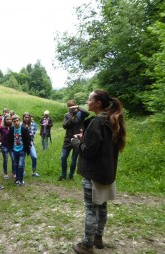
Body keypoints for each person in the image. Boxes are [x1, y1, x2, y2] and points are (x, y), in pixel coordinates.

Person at [71, 90, 126, 254]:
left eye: (89, 99)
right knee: (102, 208)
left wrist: (76, 142)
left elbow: (88, 151)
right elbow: (100, 146)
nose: (87, 102)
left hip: (93, 175)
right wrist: (85, 138)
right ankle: (98, 238)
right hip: (106, 173)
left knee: (91, 210)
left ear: (98, 103)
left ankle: (87, 245)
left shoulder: (97, 122)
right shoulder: (111, 120)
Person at [59, 100, 90, 181]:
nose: (71, 108)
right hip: (68, 139)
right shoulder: (67, 115)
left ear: (75, 105)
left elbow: (87, 113)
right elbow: (64, 126)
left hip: (77, 139)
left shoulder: (81, 114)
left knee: (74, 159)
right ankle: (63, 175)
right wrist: (70, 118)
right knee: (63, 157)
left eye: (72, 106)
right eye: (69, 107)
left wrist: (78, 107)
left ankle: (71, 176)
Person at [6, 115, 31, 186]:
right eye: (14, 121)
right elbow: (9, 139)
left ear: (19, 121)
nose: (16, 122)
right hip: (14, 149)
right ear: (12, 122)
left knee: (20, 165)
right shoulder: (11, 129)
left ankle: (21, 179)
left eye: (17, 121)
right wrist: (10, 148)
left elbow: (28, 139)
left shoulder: (24, 129)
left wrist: (27, 148)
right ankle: (17, 179)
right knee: (16, 164)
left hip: (22, 149)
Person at [22, 112, 39, 177]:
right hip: (22, 143)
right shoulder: (21, 125)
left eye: (28, 117)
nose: (26, 119)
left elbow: (32, 134)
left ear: (30, 118)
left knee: (34, 157)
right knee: (22, 157)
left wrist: (26, 132)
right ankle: (22, 171)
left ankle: (34, 171)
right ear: (23, 118)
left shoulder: (33, 125)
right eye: (25, 117)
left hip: (30, 143)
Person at [0, 114, 15, 179]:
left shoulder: (13, 127)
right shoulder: (1, 128)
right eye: (7, 119)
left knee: (13, 159)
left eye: (10, 119)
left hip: (12, 146)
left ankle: (14, 172)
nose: (9, 120)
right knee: (5, 160)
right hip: (4, 146)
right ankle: (5, 173)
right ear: (5, 120)